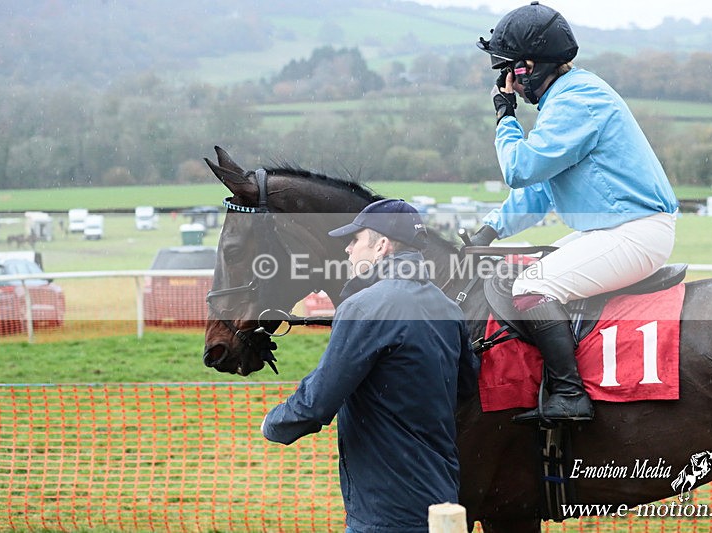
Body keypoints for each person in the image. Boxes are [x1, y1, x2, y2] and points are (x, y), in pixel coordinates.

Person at [472, 2, 679, 423]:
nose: (507, 82)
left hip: (633, 233)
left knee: (530, 289)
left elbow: (520, 169)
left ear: (529, 66)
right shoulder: (567, 99)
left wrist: (504, 116)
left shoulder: (577, 101)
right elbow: (541, 191)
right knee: (524, 267)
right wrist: (487, 232)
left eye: (510, 70)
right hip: (612, 230)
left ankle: (570, 395)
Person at [261, 199, 478, 533]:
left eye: (355, 240)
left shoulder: (364, 308)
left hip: (385, 510)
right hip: (441, 500)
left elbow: (315, 405)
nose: (347, 250)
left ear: (381, 246)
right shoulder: (447, 308)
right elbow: (466, 386)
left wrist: (272, 424)